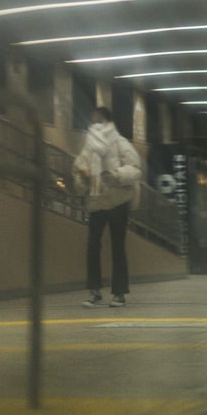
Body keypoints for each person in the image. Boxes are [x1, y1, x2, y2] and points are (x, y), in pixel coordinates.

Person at [73, 106, 141, 307]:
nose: (95, 124)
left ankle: (119, 293)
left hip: (118, 201)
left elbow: (135, 168)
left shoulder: (120, 142)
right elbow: (78, 169)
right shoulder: (89, 147)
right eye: (93, 120)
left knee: (117, 248)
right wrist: (82, 176)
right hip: (96, 202)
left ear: (107, 122)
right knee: (92, 247)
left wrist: (116, 175)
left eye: (98, 120)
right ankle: (94, 290)